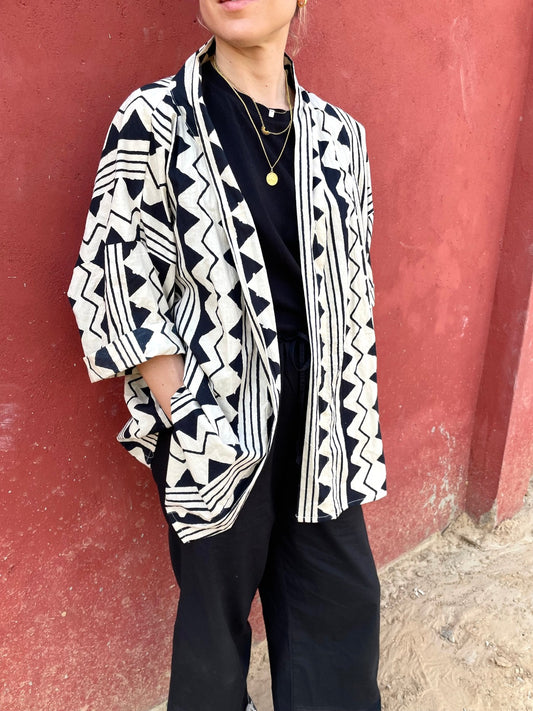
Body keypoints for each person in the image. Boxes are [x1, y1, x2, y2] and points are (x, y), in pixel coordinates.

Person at [68, 1, 387, 709]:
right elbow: (113, 274)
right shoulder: (156, 119)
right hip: (215, 407)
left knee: (340, 603)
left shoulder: (342, 138)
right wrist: (186, 410)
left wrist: (349, 408)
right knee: (212, 631)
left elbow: (354, 285)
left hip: (322, 418)